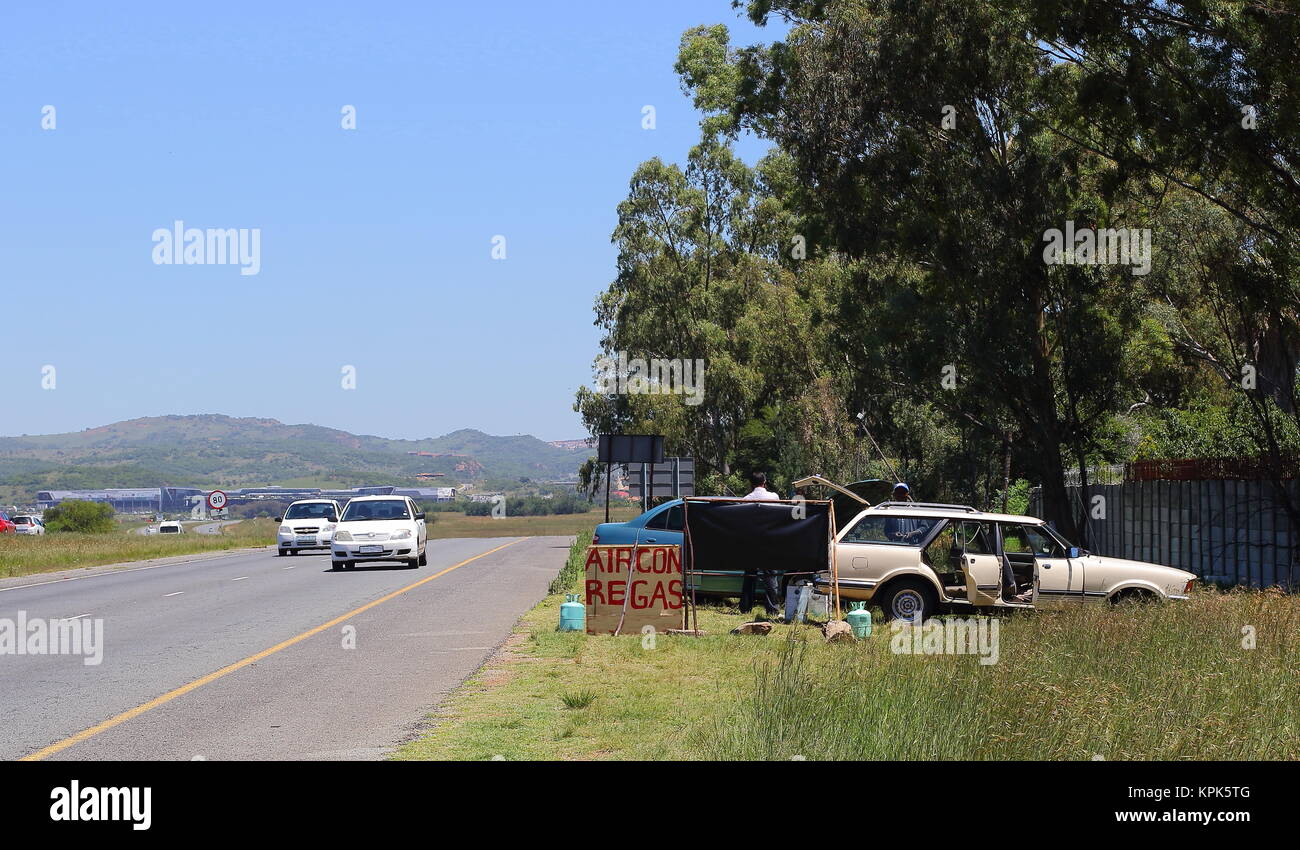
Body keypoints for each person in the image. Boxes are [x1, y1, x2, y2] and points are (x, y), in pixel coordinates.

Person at [738, 471, 783, 616]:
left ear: (751, 484)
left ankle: (745, 607)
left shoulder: (745, 499)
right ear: (765, 482)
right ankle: (773, 609)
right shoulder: (774, 497)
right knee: (770, 576)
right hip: (770, 541)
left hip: (751, 542)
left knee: (750, 575)